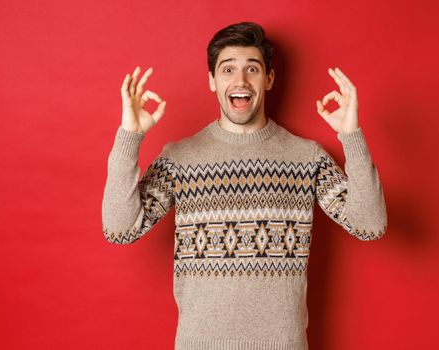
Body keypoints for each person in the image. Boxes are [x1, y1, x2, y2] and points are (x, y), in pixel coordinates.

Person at [102, 21, 387, 350]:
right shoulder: (180, 159)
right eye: (227, 70)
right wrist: (129, 135)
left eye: (252, 69)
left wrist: (351, 137)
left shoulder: (305, 158)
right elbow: (119, 229)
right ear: (212, 81)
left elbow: (370, 225)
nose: (240, 80)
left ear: (268, 79)